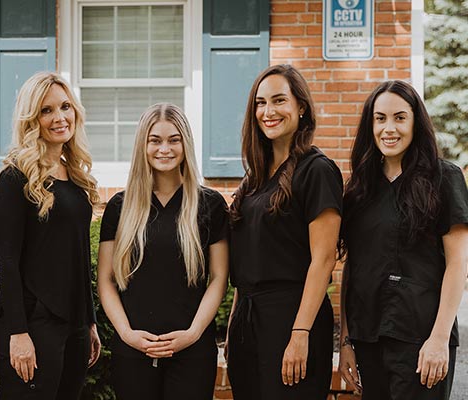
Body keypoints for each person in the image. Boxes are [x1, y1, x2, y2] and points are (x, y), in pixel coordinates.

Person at [338, 80, 468, 400]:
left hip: (422, 339)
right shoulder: (359, 190)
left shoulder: (444, 177)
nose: (389, 128)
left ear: (415, 122)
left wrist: (438, 339)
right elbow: (353, 268)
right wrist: (345, 342)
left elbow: (458, 263)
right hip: (369, 339)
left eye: (399, 117)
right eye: (380, 119)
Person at [97, 103, 229, 400]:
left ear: (186, 144)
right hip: (132, 351)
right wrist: (127, 334)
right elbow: (106, 279)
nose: (164, 149)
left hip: (192, 352)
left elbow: (219, 277)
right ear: (143, 145)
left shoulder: (210, 205)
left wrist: (193, 333)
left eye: (174, 139)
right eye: (155, 140)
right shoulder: (120, 207)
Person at [226, 64, 343, 399]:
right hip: (248, 322)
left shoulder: (317, 171)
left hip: (292, 319)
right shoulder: (255, 178)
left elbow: (323, 261)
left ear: (301, 107)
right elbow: (247, 261)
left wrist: (300, 333)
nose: (268, 111)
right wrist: (235, 328)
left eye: (279, 100)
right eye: (261, 103)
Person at [0, 71, 101, 399]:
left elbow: (79, 254)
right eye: (46, 110)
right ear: (31, 119)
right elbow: (6, 260)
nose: (59, 117)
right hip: (35, 324)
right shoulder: (14, 179)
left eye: (65, 106)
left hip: (75, 324)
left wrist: (90, 321)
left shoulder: (77, 176)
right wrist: (18, 331)